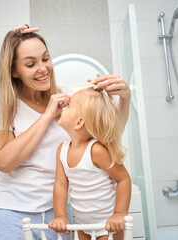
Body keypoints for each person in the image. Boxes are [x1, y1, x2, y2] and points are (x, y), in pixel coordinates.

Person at [0, 25, 131, 240]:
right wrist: (47, 116)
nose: (43, 69)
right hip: (10, 211)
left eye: (46, 58)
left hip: (59, 215)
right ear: (14, 70)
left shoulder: (69, 98)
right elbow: (4, 162)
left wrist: (125, 97)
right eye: (31, 64)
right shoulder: (2, 103)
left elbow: (109, 133)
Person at [48, 87, 132, 240]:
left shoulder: (96, 150)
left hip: (107, 227)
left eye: (68, 105)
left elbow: (123, 179)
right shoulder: (62, 150)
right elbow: (60, 184)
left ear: (79, 122)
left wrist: (119, 214)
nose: (63, 106)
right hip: (82, 226)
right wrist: (60, 216)